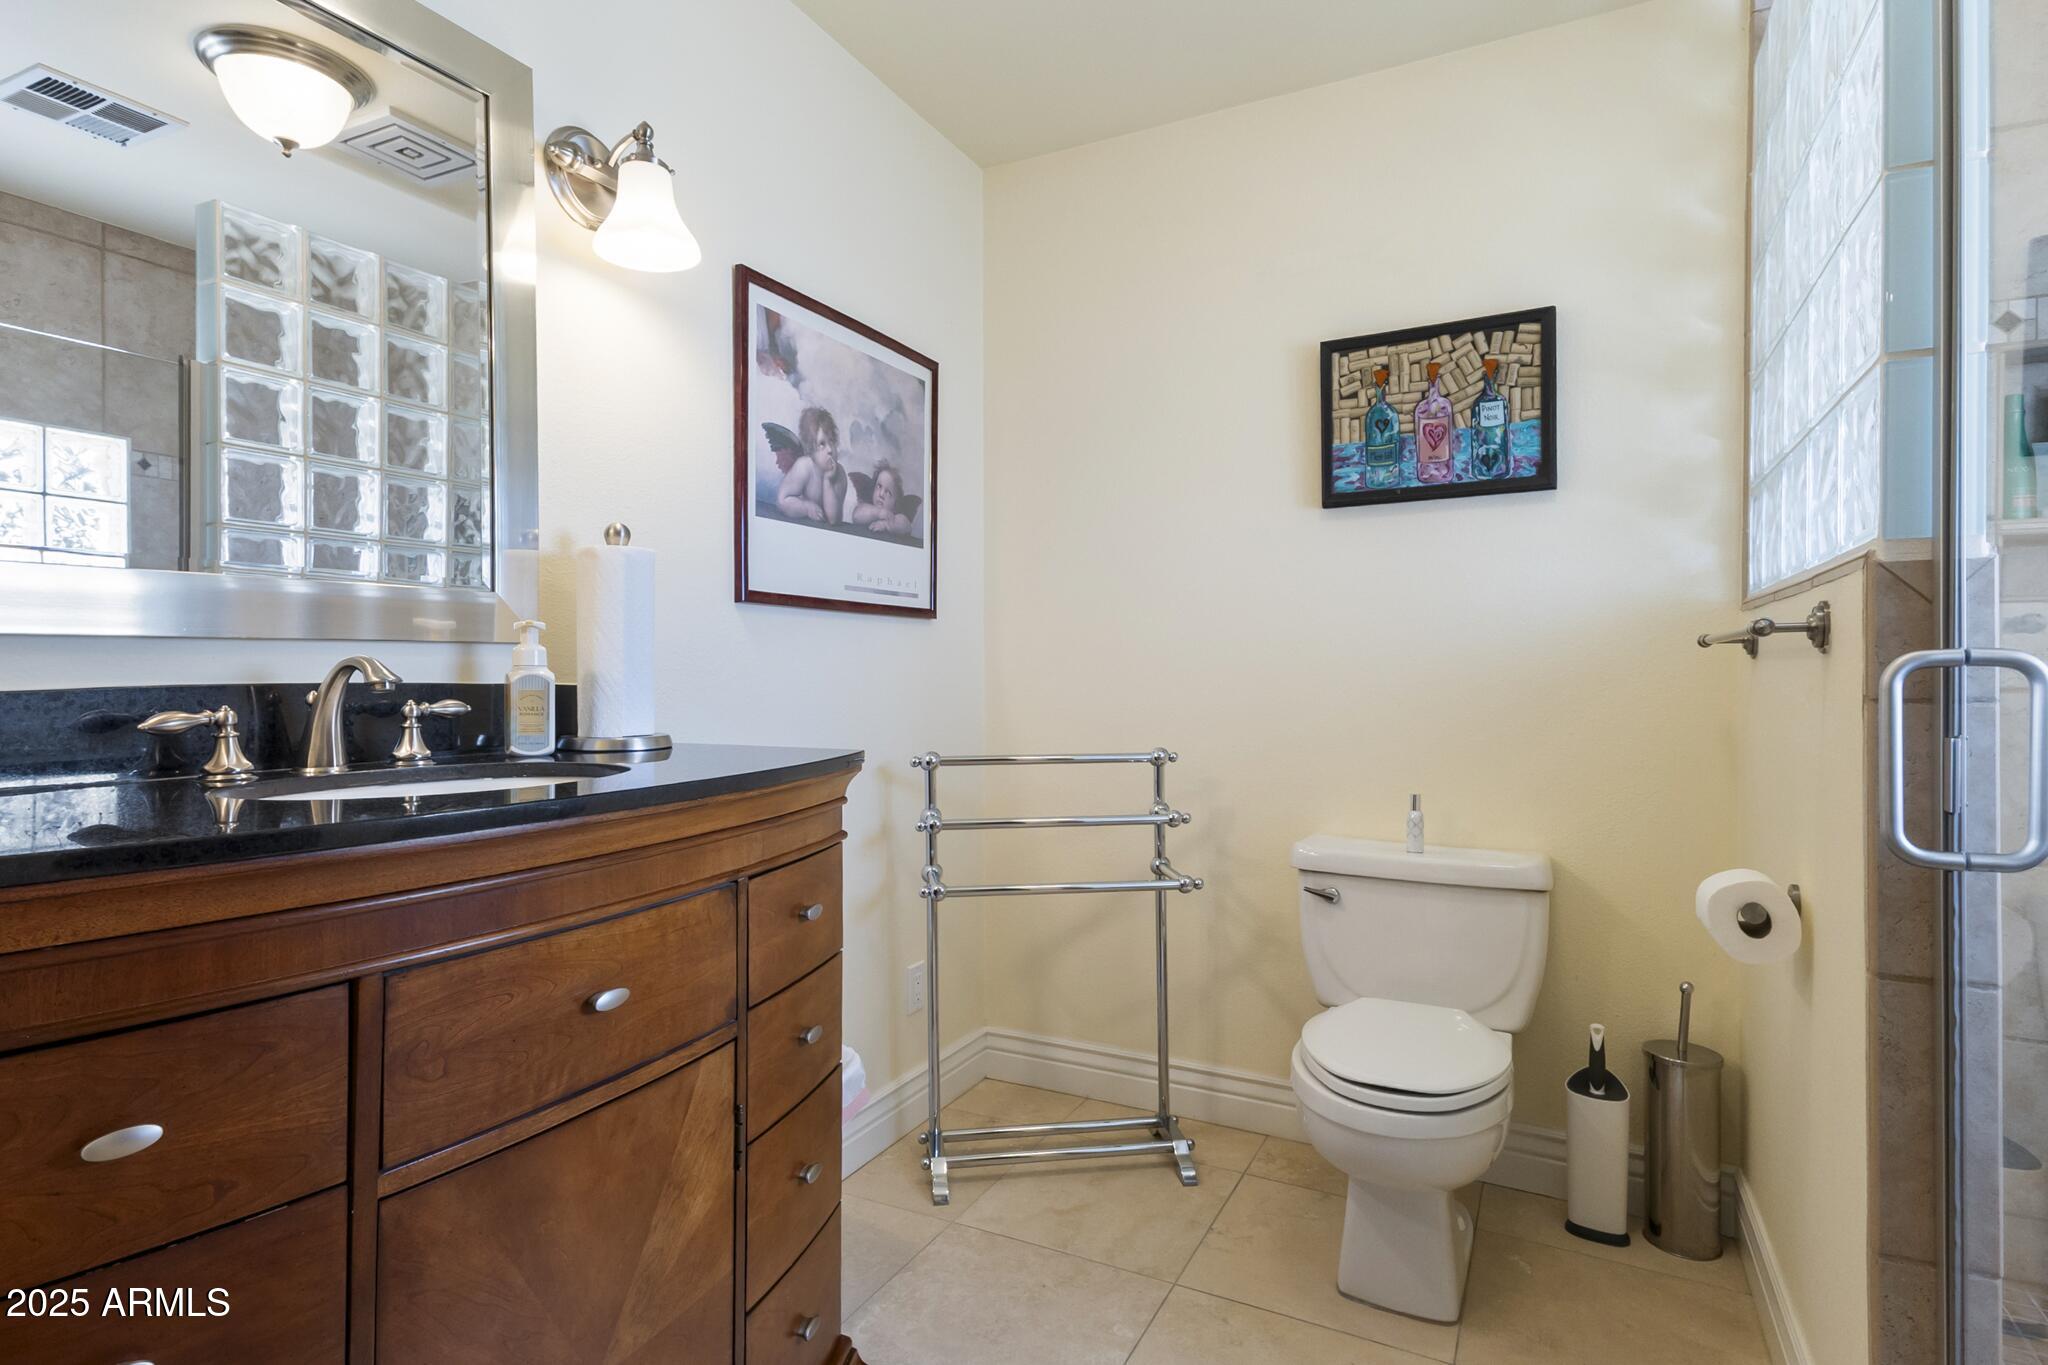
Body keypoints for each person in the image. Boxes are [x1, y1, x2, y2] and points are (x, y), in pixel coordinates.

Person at [776, 407, 847, 524]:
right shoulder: (804, 466)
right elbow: (781, 500)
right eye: (822, 444)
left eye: (832, 441)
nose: (830, 449)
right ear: (811, 450)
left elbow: (834, 520)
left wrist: (827, 481)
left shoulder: (839, 474)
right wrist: (806, 508)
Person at [850, 461, 914, 535]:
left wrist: (886, 525)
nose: (881, 494)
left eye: (888, 492)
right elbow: (856, 515)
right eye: (879, 486)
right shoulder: (866, 508)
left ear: (895, 503)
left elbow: (907, 526)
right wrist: (878, 513)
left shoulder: (895, 518)